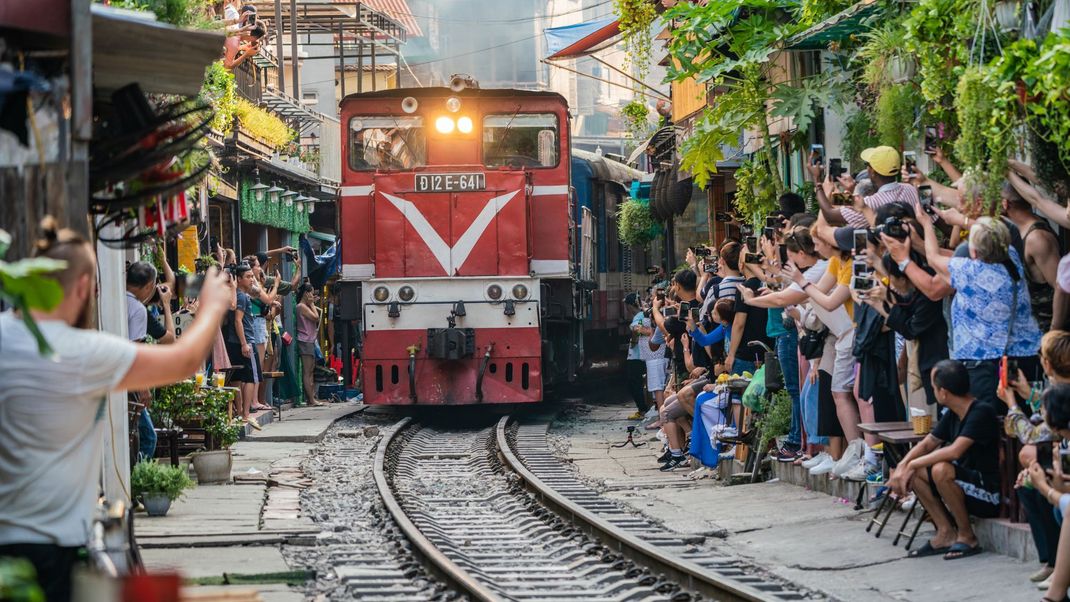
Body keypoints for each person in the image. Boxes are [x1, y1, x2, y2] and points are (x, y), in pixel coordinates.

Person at [0, 219, 232, 601]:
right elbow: (183, 360)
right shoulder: (83, 351)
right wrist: (211, 307)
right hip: (53, 543)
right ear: (81, 288)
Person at [916, 204, 1043, 412]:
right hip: (1021, 358)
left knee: (989, 423)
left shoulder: (968, 271)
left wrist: (926, 224)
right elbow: (995, 236)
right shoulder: (1013, 260)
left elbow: (932, 257)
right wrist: (963, 220)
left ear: (973, 252)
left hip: (984, 364)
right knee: (1021, 418)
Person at [889, 360, 1001, 561]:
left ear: (943, 392)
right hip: (963, 487)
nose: (933, 391)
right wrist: (903, 466)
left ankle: (967, 536)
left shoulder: (981, 411)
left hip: (988, 494)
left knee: (941, 470)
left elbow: (955, 451)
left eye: (933, 387)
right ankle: (946, 533)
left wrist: (914, 463)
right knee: (917, 472)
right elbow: (927, 444)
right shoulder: (953, 414)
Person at [811, 146, 920, 228]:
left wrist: (818, 182)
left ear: (872, 172)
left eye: (867, 165)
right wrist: (852, 189)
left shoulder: (870, 203)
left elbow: (830, 215)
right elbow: (845, 201)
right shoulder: (911, 189)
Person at [1003, 182, 1060, 332]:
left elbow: (1061, 287)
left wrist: (1055, 331)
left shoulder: (1037, 238)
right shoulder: (1018, 229)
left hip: (1046, 329)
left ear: (1005, 203)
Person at [225, 264, 260, 419]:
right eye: (248, 276)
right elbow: (238, 321)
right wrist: (245, 343)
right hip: (245, 341)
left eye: (252, 276)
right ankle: (245, 414)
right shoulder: (242, 297)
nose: (252, 279)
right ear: (238, 279)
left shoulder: (235, 295)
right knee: (251, 378)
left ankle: (239, 412)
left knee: (236, 379)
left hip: (233, 341)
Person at [296, 283, 326, 406]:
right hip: (305, 340)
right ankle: (311, 399)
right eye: (311, 293)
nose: (312, 296)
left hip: (310, 340)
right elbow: (316, 317)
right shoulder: (301, 306)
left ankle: (311, 398)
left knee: (311, 370)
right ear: (306, 293)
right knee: (307, 371)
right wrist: (312, 303)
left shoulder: (305, 306)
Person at [624, 293, 650, 419]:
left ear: (629, 306)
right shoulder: (643, 314)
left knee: (634, 382)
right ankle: (644, 408)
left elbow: (636, 330)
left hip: (636, 355)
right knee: (640, 382)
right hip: (642, 354)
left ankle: (642, 410)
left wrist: (633, 342)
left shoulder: (638, 316)